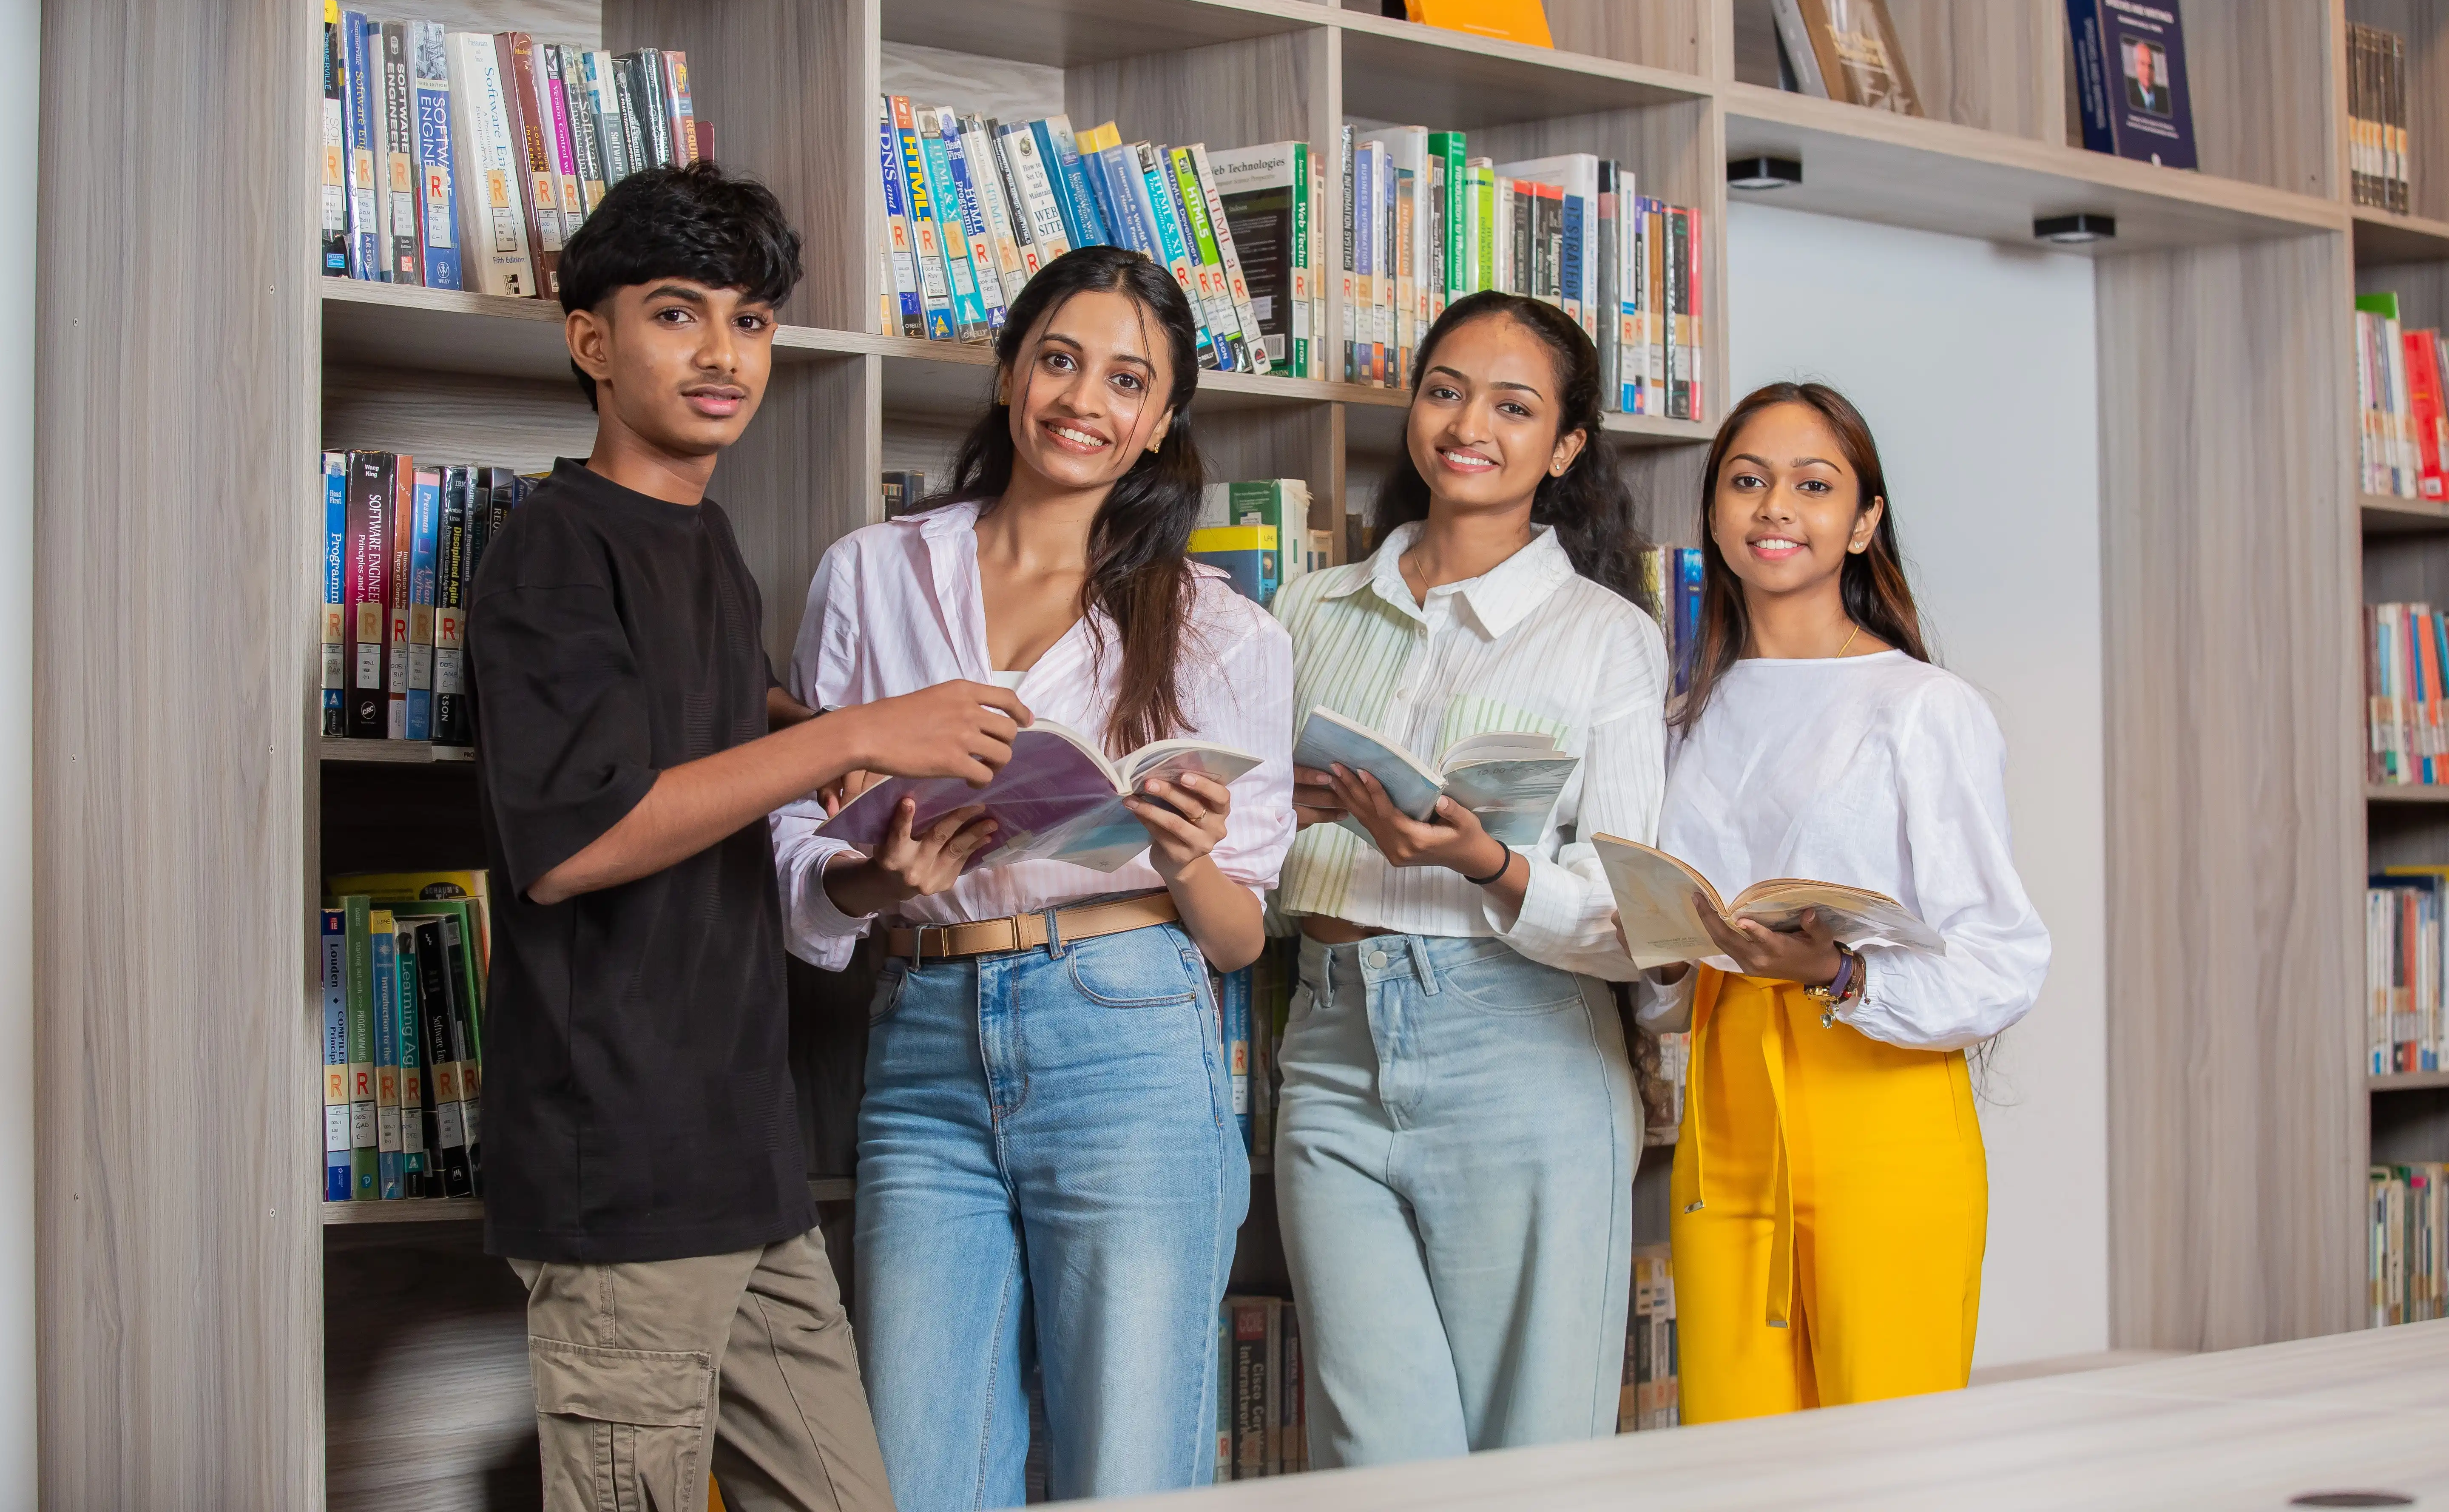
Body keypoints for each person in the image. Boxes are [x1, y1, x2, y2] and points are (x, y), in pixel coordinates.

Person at [466, 163, 1028, 1512]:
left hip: (745, 1157)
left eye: (753, 320)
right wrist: (850, 736)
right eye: (677, 314)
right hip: (620, 1161)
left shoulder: (708, 542)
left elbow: (704, 726)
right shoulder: (552, 548)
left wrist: (847, 790)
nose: (724, 354)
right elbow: (578, 839)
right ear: (590, 340)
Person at [770, 246, 1295, 1509]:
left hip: (1126, 1027)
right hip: (923, 1041)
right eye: (1060, 359)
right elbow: (797, 850)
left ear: (1161, 422)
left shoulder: (1222, 628)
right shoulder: (872, 571)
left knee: (1129, 1464)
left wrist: (1185, 853)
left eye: (1128, 380)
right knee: (917, 1466)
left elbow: (1238, 938)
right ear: (1010, 372)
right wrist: (874, 883)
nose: (1084, 400)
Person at [1268, 291, 1671, 1466]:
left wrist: (1491, 866)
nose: (1467, 424)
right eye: (1444, 390)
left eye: (1513, 404)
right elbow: (1249, 862)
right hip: (1330, 1041)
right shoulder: (1304, 609)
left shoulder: (1608, 637)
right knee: (1373, 1452)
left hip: (1522, 1042)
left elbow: (1634, 919)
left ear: (1567, 445)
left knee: (1528, 1457)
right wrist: (1271, 821)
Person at [1648, 380, 2049, 1421]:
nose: (1774, 506)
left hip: (1882, 1112)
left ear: (1863, 522)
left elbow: (2003, 955)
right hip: (1727, 1118)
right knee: (1734, 1463)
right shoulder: (1682, 710)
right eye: (1746, 481)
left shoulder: (1924, 709)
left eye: (1812, 485)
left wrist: (1837, 969)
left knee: (1892, 1460)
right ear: (1715, 515)